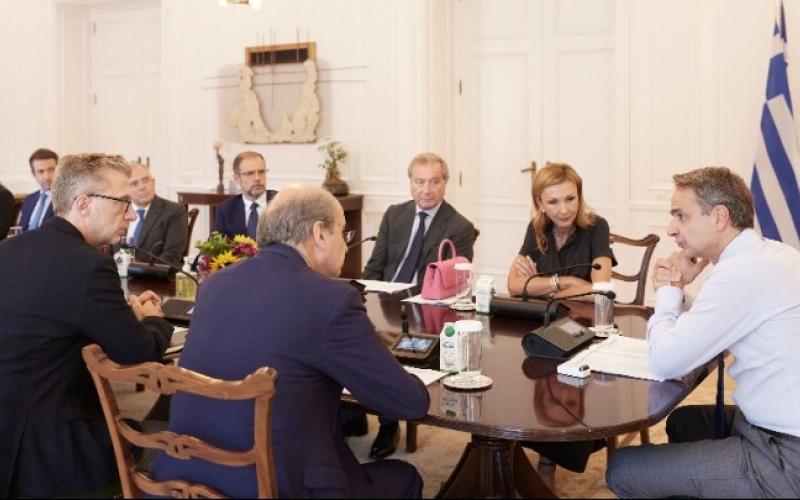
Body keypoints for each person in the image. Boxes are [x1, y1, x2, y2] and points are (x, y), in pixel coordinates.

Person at [153, 185, 430, 498]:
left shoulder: (213, 284)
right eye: (343, 232)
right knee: (406, 477)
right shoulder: (331, 299)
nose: (345, 243)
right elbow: (408, 403)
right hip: (273, 485)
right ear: (320, 233)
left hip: (183, 476)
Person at [606, 167, 800, 498]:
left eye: (681, 216)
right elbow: (715, 323)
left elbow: (666, 361)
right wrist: (681, 289)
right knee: (684, 422)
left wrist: (668, 288)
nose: (671, 229)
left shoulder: (739, 273)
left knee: (622, 469)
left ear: (719, 217)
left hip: (785, 457)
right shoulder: (770, 254)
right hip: (774, 428)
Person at [0, 153, 174, 498]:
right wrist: (154, 317)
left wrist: (122, 315)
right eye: (123, 202)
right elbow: (139, 356)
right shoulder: (90, 265)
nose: (130, 214)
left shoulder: (9, 248)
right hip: (56, 451)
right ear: (83, 204)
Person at [360, 152, 476, 458]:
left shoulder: (459, 226)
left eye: (434, 182)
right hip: (384, 302)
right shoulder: (394, 214)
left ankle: (388, 424)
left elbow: (457, 284)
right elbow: (375, 266)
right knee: (348, 339)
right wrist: (360, 298)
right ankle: (351, 412)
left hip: (425, 311)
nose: (427, 190)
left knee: (386, 354)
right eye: (420, 181)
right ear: (410, 183)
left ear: (445, 183)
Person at [507, 162, 615, 298]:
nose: (564, 210)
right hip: (549, 311)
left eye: (570, 199)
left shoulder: (597, 226)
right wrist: (570, 282)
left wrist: (547, 291)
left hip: (583, 311)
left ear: (579, 197)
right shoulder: (537, 227)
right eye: (553, 202)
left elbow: (601, 290)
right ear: (540, 203)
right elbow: (514, 286)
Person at [122, 162, 188, 266]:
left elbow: (171, 257)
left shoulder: (175, 212)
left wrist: (138, 271)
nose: (142, 187)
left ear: (153, 182)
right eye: (134, 183)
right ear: (125, 189)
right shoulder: (119, 212)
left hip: (155, 274)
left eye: (145, 180)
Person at [212, 151, 276, 239]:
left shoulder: (282, 203)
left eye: (261, 172)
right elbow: (214, 244)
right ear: (237, 178)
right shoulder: (226, 209)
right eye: (250, 173)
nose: (257, 178)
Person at [19, 148, 58, 232]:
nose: (46, 177)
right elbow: (21, 230)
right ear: (34, 174)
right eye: (41, 171)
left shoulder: (66, 200)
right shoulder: (29, 199)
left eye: (51, 170)